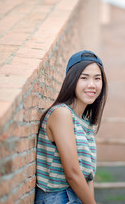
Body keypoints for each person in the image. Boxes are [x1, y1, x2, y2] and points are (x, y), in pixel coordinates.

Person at [35, 50, 108, 204]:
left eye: (97, 78)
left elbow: (88, 175)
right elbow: (73, 173)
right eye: (84, 78)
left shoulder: (86, 122)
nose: (91, 85)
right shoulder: (61, 114)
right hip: (58, 198)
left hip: (79, 197)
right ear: (72, 80)